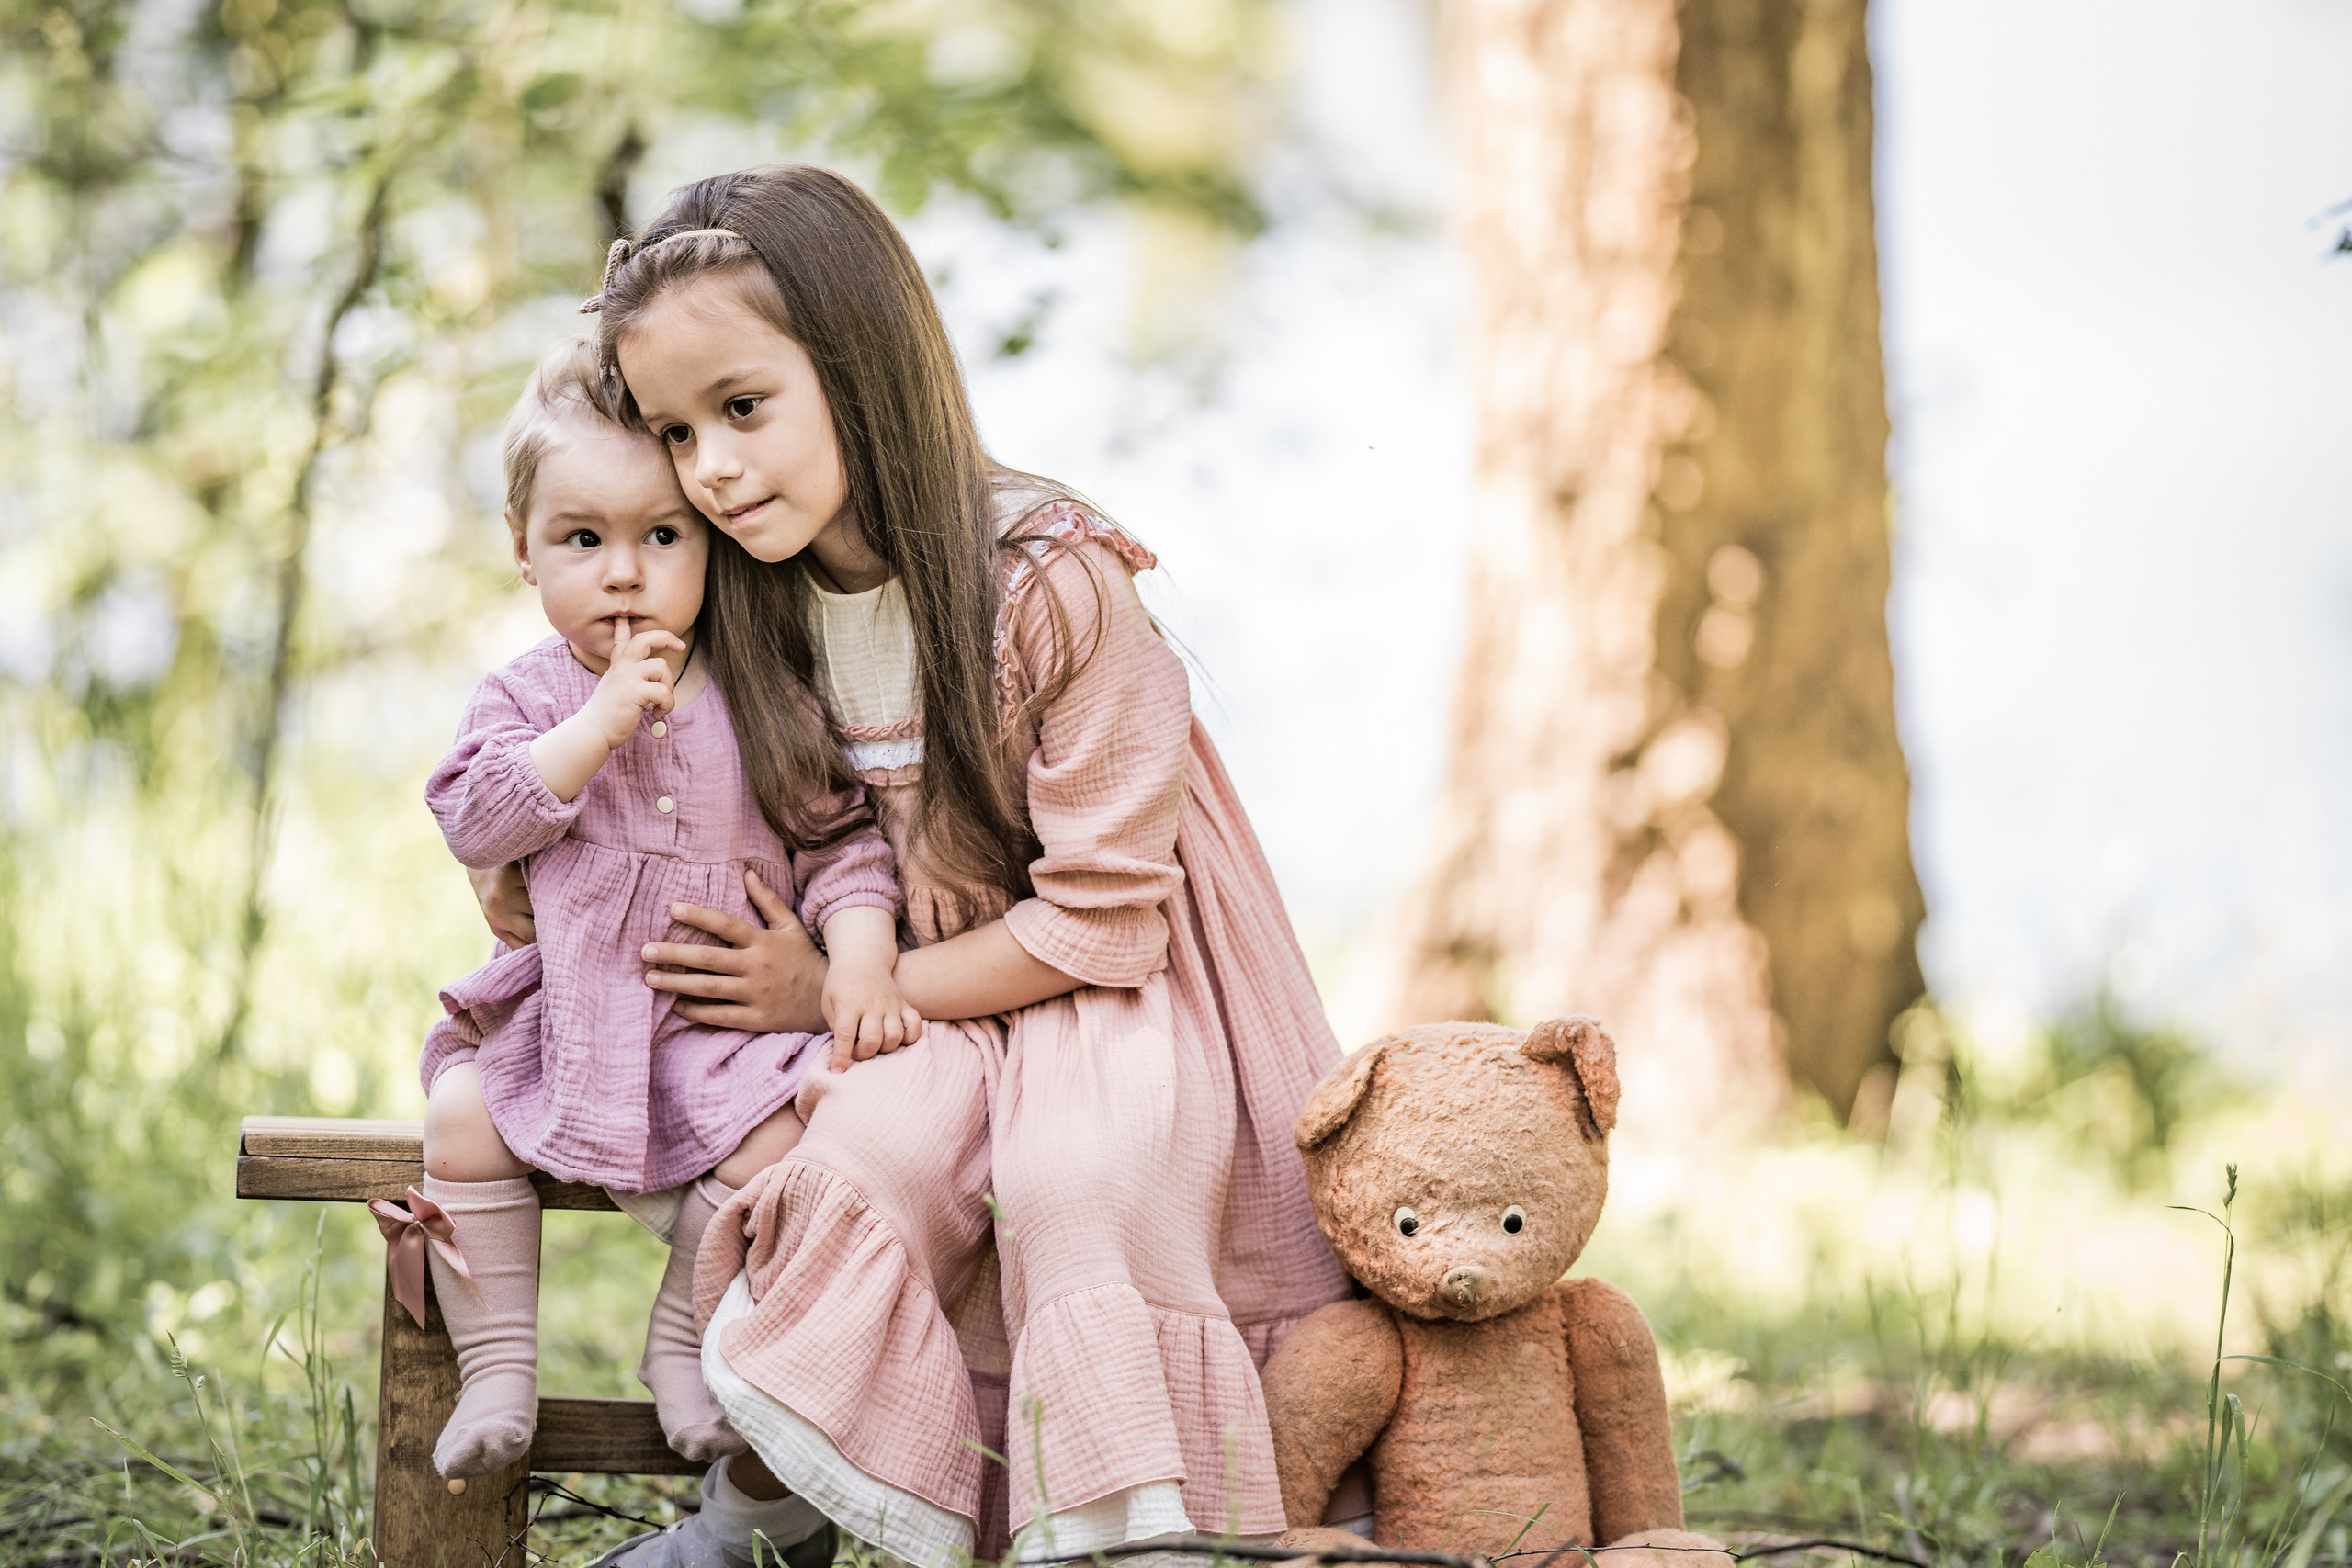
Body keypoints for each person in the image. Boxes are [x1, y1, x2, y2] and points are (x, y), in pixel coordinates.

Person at [469, 164, 1351, 1568]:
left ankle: (1137, 1530)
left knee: (1080, 1180)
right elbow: (630, 780)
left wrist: (826, 988)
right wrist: (520, 873)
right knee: (852, 1154)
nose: (712, 470)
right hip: (897, 992)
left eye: (742, 408)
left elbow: (1106, 926)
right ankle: (761, 1520)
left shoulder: (1055, 583)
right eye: (678, 431)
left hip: (1103, 987)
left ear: (863, 363)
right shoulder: (750, 591)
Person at [409, 337, 916, 1492]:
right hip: (571, 1018)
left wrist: (864, 958)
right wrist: (593, 726)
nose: (624, 575)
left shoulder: (766, 696)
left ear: (711, 547)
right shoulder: (529, 694)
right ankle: (497, 1368)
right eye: (583, 542)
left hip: (723, 1036)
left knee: (784, 1139)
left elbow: (840, 846)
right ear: (523, 549)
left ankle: (681, 1341)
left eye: (662, 538)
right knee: (458, 1119)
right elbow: (476, 821)